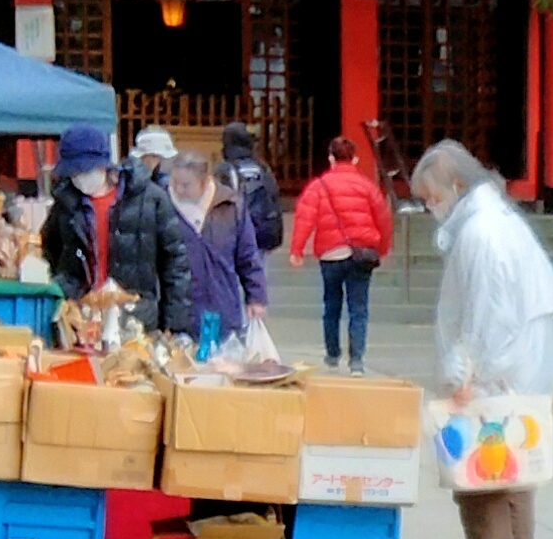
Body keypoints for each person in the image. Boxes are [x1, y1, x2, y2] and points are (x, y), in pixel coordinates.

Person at [416, 139, 553, 539]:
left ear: (455, 184)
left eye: (431, 196)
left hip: (499, 367)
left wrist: (466, 372)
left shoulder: (483, 233)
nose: (429, 206)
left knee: (482, 473)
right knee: (516, 471)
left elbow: (486, 315)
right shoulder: (494, 223)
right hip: (518, 363)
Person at [288, 130, 397, 365]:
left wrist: (296, 250)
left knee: (331, 306)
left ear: (331, 158)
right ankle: (357, 359)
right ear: (355, 159)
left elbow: (305, 218)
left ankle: (332, 354)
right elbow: (384, 219)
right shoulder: (367, 187)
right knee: (359, 308)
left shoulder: (319, 187)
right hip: (362, 253)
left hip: (330, 254)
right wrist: (384, 247)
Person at [167, 150, 268, 342]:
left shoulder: (230, 205)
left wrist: (256, 296)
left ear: (205, 181)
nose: (178, 190)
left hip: (223, 306)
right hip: (178, 314)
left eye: (186, 185)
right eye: (174, 183)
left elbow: (247, 256)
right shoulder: (163, 204)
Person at [107, 126, 194, 333]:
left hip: (107, 301)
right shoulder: (158, 195)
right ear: (154, 157)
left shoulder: (116, 186)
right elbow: (174, 261)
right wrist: (175, 325)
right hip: (142, 304)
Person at [42, 125, 112, 301]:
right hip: (80, 308)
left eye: (84, 170)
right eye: (73, 172)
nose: (79, 177)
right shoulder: (64, 204)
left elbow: (172, 261)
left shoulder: (144, 199)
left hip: (130, 310)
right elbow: (51, 246)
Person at [218, 121, 288, 259]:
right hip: (262, 233)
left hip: (235, 234)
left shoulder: (226, 169)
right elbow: (273, 197)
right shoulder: (262, 168)